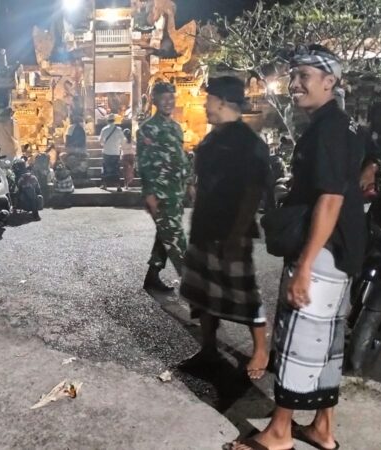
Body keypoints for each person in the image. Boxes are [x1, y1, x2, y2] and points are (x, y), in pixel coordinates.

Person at [228, 45, 366, 450]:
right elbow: (362, 170)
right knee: (327, 341)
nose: (294, 84)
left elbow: (331, 199)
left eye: (304, 76)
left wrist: (304, 266)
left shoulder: (327, 130)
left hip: (322, 251)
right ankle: (323, 427)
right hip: (343, 248)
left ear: (329, 81)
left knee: (298, 340)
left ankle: (278, 432)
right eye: (293, 76)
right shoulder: (345, 125)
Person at [179, 76, 271, 380]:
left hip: (230, 231)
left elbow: (253, 192)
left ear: (221, 101)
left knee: (244, 291)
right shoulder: (211, 139)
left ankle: (260, 350)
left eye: (208, 100)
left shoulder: (247, 142)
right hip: (205, 226)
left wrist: (236, 233)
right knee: (202, 291)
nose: (205, 106)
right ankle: (208, 348)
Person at [137, 81, 192, 292]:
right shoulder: (147, 128)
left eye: (171, 97)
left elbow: (181, 157)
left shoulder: (176, 128)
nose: (168, 102)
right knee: (175, 236)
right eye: (163, 98)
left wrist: (189, 183)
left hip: (176, 191)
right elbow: (144, 163)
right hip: (159, 193)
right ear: (154, 100)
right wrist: (149, 193)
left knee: (165, 232)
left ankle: (152, 276)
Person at [99, 114, 126, 191]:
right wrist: (119, 146)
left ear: (107, 121)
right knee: (116, 169)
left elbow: (100, 141)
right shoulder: (119, 130)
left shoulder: (104, 129)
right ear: (114, 120)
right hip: (116, 152)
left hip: (106, 152)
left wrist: (105, 144)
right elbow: (123, 141)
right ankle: (118, 186)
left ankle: (104, 185)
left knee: (105, 168)